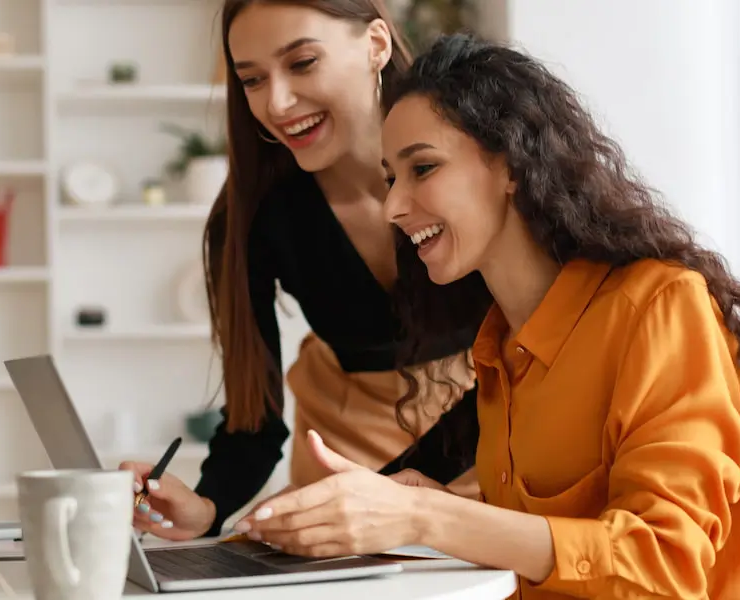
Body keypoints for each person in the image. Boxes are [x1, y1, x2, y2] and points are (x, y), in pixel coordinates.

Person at [232, 33, 740, 600]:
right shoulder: (500, 351)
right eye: (391, 179)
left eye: (423, 169)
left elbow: (667, 569)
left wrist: (429, 516)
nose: (393, 205)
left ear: (512, 166)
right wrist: (417, 502)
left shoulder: (659, 307)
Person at [118, 1, 483, 541]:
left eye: (303, 63)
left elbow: (545, 354)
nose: (278, 102)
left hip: (494, 430)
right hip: (344, 447)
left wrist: (382, 492)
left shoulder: (478, 143)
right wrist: (207, 505)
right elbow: (253, 422)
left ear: (376, 44)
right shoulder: (252, 216)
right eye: (252, 79)